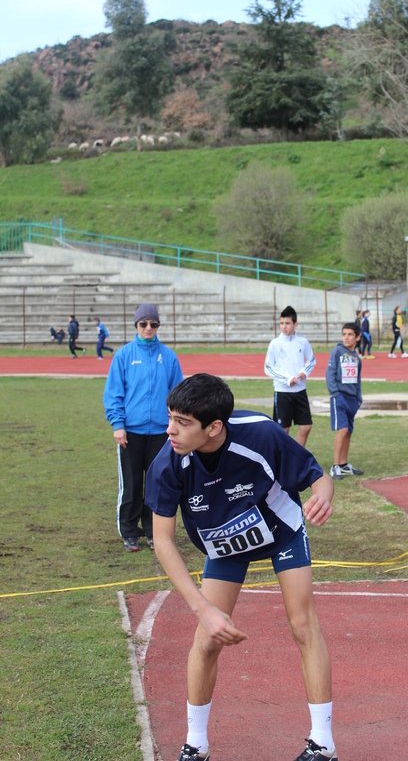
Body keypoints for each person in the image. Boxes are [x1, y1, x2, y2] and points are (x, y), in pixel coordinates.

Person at [146, 374, 337, 761]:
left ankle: (323, 744)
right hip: (225, 542)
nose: (170, 430)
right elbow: (163, 542)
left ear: (214, 427)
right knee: (207, 639)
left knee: (303, 625)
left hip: (281, 529)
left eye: (182, 423)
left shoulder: (261, 435)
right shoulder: (168, 462)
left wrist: (322, 496)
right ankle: (195, 745)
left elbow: (319, 477)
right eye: (170, 418)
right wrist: (204, 609)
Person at [103, 303, 183, 551]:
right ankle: (128, 531)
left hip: (161, 432)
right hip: (131, 432)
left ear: (158, 326)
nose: (149, 328)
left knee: (156, 484)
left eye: (153, 324)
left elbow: (178, 396)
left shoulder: (168, 357)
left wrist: (175, 425)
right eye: (143, 324)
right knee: (132, 483)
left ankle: (152, 530)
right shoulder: (124, 355)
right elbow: (114, 393)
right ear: (136, 325)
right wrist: (118, 425)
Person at [264, 305, 316, 447]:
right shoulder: (275, 343)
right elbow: (268, 367)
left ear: (295, 324)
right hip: (282, 392)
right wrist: (287, 379)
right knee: (283, 430)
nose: (284, 326)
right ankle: (281, 460)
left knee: (306, 427)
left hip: (300, 391)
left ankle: (296, 457)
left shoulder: (303, 342)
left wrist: (304, 372)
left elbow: (311, 360)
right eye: (281, 323)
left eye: (287, 323)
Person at [326, 323, 364, 480]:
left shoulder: (357, 358)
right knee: (342, 430)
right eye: (344, 334)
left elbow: (358, 381)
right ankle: (335, 466)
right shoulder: (337, 351)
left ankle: (343, 464)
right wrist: (335, 394)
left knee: (348, 431)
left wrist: (358, 398)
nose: (346, 337)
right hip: (339, 397)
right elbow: (330, 374)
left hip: (352, 400)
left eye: (350, 334)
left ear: (357, 337)